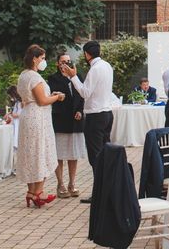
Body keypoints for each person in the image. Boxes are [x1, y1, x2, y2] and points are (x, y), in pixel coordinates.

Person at [60, 40, 114, 204]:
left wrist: (73, 76)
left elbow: (85, 93)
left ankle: (99, 194)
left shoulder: (95, 69)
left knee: (96, 157)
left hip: (95, 116)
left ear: (87, 54)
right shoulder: (107, 66)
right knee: (105, 154)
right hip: (107, 114)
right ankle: (108, 190)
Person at [16, 44, 65, 208]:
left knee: (31, 152)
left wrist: (49, 96)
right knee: (40, 151)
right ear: (35, 59)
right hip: (37, 118)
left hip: (28, 115)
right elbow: (42, 101)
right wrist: (57, 97)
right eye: (42, 58)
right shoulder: (35, 77)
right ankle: (38, 192)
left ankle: (31, 191)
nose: (44, 61)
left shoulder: (23, 75)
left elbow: (33, 97)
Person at [48, 53, 86, 199]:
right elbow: (51, 96)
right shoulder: (53, 78)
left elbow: (82, 95)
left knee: (73, 154)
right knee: (60, 154)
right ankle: (60, 184)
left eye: (69, 61)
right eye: (63, 61)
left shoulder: (77, 76)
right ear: (58, 64)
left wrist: (80, 111)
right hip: (60, 119)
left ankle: (72, 183)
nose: (66, 63)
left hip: (75, 120)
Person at [4, 85, 22, 150]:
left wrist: (12, 115)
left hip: (19, 122)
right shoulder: (16, 102)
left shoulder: (21, 101)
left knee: (17, 135)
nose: (10, 97)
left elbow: (21, 113)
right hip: (15, 121)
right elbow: (14, 111)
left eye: (10, 96)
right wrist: (9, 113)